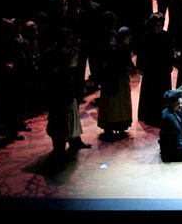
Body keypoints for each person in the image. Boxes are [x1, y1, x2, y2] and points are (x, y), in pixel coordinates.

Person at [44, 28, 92, 160]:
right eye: (68, 38)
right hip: (58, 93)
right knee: (60, 122)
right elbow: (49, 74)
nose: (70, 40)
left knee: (73, 117)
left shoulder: (70, 51)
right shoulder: (51, 53)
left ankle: (75, 141)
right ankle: (59, 150)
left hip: (69, 90)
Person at [137, 13, 175, 126]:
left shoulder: (167, 36)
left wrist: (170, 64)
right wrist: (141, 66)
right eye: (156, 25)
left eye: (160, 24)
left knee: (162, 92)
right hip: (151, 70)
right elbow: (141, 53)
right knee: (150, 93)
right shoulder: (146, 37)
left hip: (163, 70)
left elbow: (170, 53)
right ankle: (149, 115)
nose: (158, 27)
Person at [98, 27, 134, 140]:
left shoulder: (120, 48)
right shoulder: (119, 48)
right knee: (114, 103)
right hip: (114, 79)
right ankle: (112, 126)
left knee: (117, 103)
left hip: (116, 78)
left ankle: (118, 126)